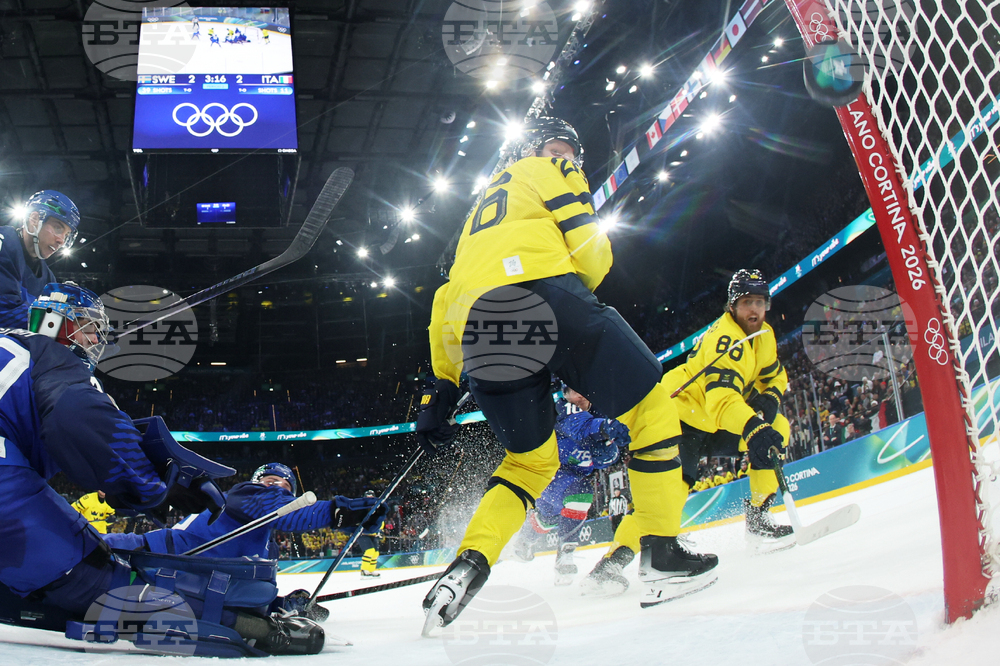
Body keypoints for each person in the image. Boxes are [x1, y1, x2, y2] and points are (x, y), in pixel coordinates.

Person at [417, 117, 717, 631]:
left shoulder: (477, 213)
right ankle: (662, 554)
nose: (569, 158)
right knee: (653, 410)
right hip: (544, 292)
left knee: (528, 465)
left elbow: (445, 298)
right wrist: (577, 312)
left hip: (473, 323)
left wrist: (442, 387)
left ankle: (467, 565)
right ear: (549, 153)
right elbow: (590, 245)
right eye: (566, 152)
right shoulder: (553, 169)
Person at [0, 283, 324, 656]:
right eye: (90, 328)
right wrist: (154, 487)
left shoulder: (14, 345)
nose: (95, 341)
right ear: (60, 324)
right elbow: (81, 418)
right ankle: (253, 629)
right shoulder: (55, 358)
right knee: (103, 577)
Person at [583, 269, 791, 595]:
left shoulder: (764, 334)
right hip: (680, 422)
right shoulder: (727, 340)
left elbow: (776, 375)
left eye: (760, 302)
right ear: (732, 306)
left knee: (778, 425)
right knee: (665, 503)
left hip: (712, 422)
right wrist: (753, 426)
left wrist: (769, 399)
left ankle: (759, 519)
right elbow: (722, 402)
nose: (755, 310)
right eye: (747, 302)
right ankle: (609, 566)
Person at [507, 384, 630, 586]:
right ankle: (566, 554)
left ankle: (523, 542)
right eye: (574, 391)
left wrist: (608, 448)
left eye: (583, 390)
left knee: (548, 518)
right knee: (581, 492)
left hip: (565, 482)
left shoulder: (600, 413)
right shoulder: (564, 408)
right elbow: (580, 426)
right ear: (566, 394)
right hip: (550, 474)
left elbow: (604, 460)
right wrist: (604, 428)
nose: (579, 395)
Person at [0, 190, 79, 328]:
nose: (61, 241)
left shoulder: (48, 278)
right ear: (34, 219)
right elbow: (5, 311)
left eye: (66, 236)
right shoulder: (4, 243)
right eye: (57, 228)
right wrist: (63, 326)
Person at [356, 489, 384, 578]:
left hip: (372, 534)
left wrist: (380, 530)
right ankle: (364, 570)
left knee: (375, 553)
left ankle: (371, 570)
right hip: (362, 534)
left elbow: (380, 521)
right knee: (370, 551)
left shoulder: (377, 508)